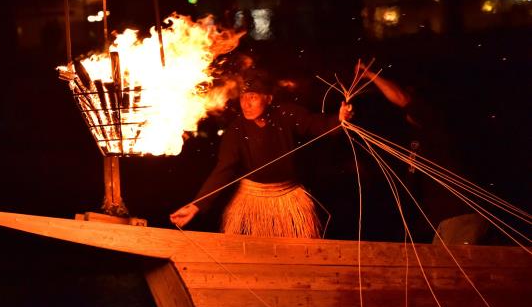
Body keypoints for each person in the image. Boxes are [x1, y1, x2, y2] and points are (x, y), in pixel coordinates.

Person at [170, 68, 353, 238]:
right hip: (251, 200)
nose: (246, 104)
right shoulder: (236, 130)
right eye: (243, 97)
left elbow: (315, 124)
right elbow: (224, 169)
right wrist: (197, 205)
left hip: (289, 199)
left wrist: (340, 118)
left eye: (253, 97)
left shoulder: (287, 114)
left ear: (268, 99)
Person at [355, 61, 487, 244]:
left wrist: (370, 75)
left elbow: (402, 99)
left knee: (450, 271)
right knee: (439, 268)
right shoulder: (414, 138)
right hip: (442, 220)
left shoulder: (433, 124)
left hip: (461, 214)